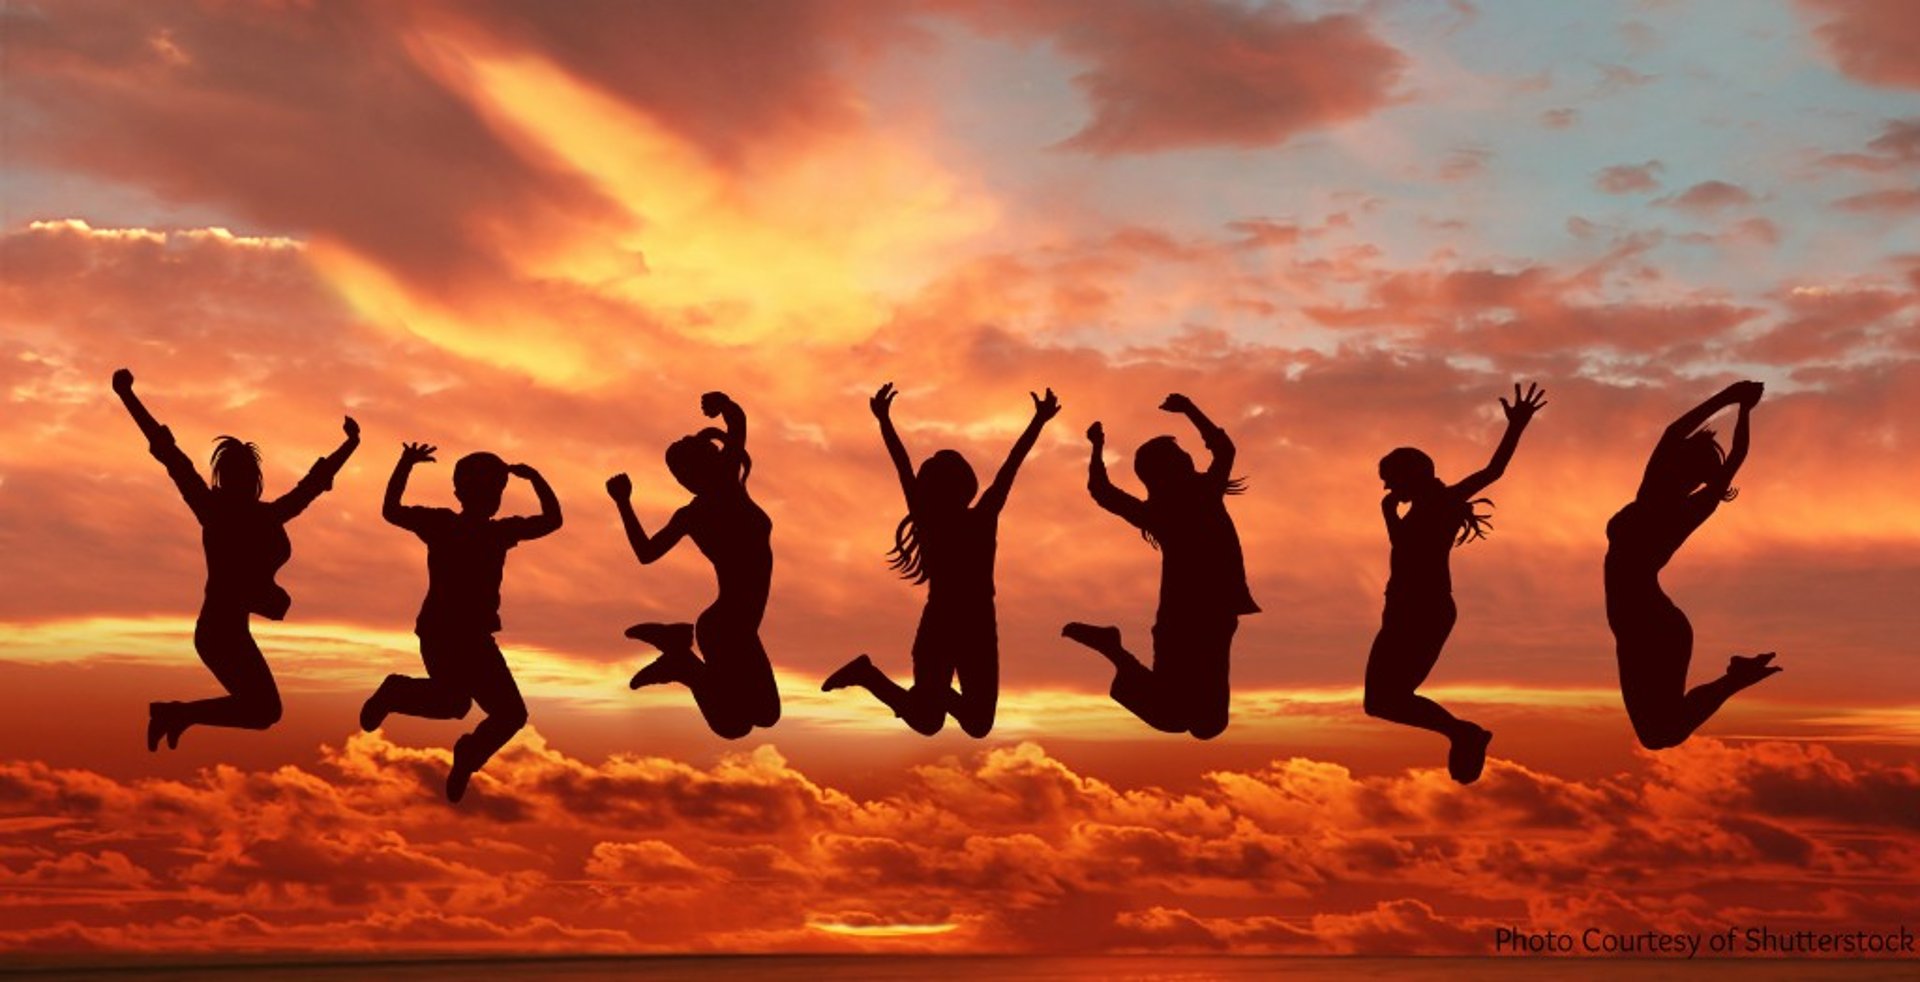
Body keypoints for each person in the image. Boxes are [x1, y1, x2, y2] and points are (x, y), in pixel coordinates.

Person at [112, 368, 358, 751]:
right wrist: (127, 396)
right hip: (217, 633)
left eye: (248, 474)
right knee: (263, 711)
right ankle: (174, 714)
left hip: (229, 631)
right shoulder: (213, 510)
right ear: (225, 477)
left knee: (264, 712)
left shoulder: (263, 516)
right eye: (236, 474)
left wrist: (350, 446)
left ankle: (176, 714)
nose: (243, 480)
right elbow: (170, 455)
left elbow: (310, 488)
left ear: (254, 478)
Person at [821, 383, 1059, 737]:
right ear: (962, 485)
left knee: (970, 722)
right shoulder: (955, 518)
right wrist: (1038, 421)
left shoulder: (952, 517)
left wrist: (884, 420)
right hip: (951, 623)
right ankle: (870, 675)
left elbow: (1007, 468)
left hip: (972, 626)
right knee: (934, 721)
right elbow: (1007, 467)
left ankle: (897, 682)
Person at [360, 441, 561, 802]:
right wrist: (405, 464)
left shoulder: (497, 532)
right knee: (469, 706)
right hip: (444, 631)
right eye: (485, 488)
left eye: (496, 489)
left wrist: (535, 478)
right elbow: (392, 511)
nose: (491, 496)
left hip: (473, 636)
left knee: (487, 710)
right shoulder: (443, 524)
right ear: (461, 492)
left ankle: (466, 753)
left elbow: (552, 522)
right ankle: (396, 692)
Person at [1364, 383, 1544, 784]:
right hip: (1405, 609)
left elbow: (1493, 472)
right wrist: (1389, 515)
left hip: (1423, 610)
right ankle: (1462, 733)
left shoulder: (1442, 502)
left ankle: (1463, 733)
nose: (1388, 489)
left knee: (1383, 700)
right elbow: (1406, 549)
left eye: (1391, 479)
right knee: (1379, 702)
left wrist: (1516, 426)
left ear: (1413, 474)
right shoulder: (1424, 509)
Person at [1063, 394, 1257, 738]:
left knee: (1200, 723)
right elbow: (1224, 449)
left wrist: (1096, 448)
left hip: (1203, 615)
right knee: (1195, 722)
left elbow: (1102, 491)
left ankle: (1113, 650)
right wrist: (1190, 410)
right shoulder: (1198, 496)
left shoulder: (1170, 508)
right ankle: (1114, 650)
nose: (1187, 458)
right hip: (1190, 618)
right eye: (1181, 456)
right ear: (1169, 470)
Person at [1608, 380, 1777, 749]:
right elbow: (1693, 441)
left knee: (1658, 733)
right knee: (1661, 731)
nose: (1669, 465)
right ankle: (1736, 677)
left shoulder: (1662, 498)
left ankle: (1736, 678)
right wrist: (1738, 405)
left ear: (1689, 475)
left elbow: (1726, 454)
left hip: (1647, 621)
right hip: (1647, 621)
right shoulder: (1676, 501)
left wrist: (1737, 403)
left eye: (1680, 465)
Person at [607, 391, 779, 738]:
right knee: (739, 722)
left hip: (736, 625)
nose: (683, 479)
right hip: (727, 627)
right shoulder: (702, 508)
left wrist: (724, 403)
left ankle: (678, 653)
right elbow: (646, 553)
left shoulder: (723, 491)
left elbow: (738, 425)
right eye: (678, 474)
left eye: (684, 470)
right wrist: (623, 504)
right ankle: (682, 663)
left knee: (758, 716)